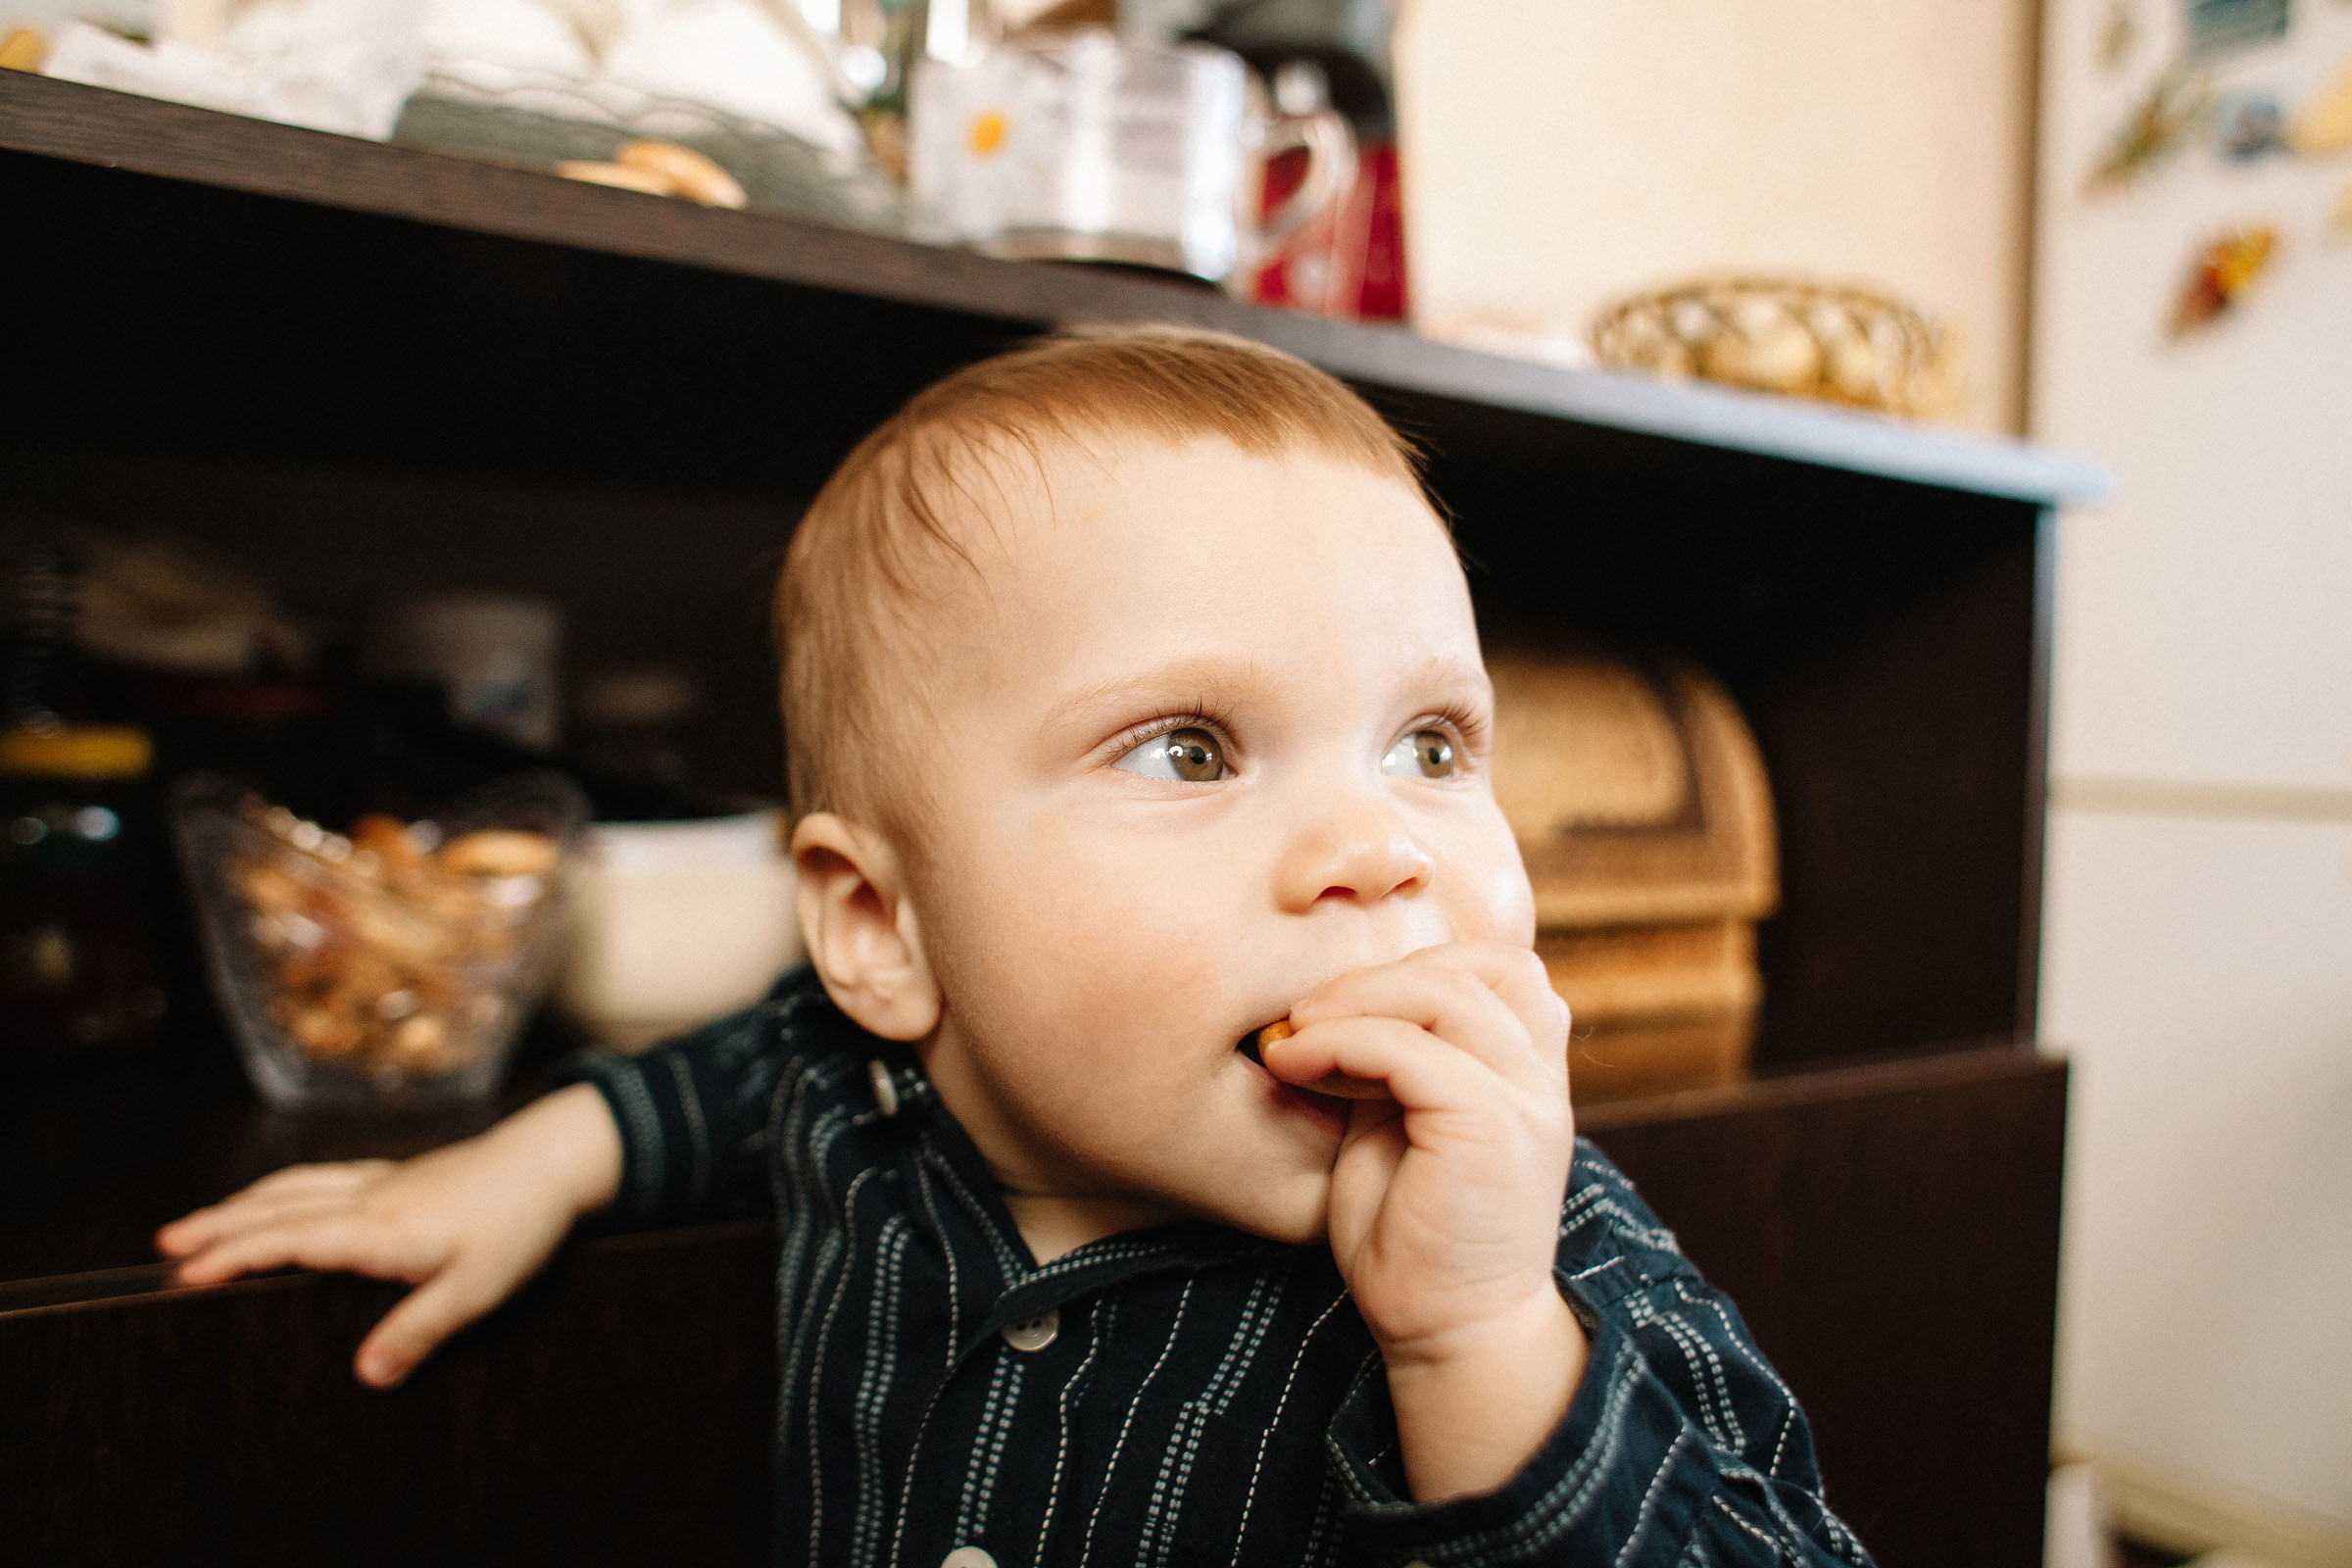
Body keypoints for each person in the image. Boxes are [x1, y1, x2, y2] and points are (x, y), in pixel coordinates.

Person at [158, 327, 1873, 1567]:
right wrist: (529, 1164)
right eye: (1192, 748)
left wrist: (1474, 1343)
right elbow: (722, 1082)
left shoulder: (1539, 1252)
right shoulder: (864, 1084)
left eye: (1432, 744)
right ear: (882, 932)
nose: (1383, 849)